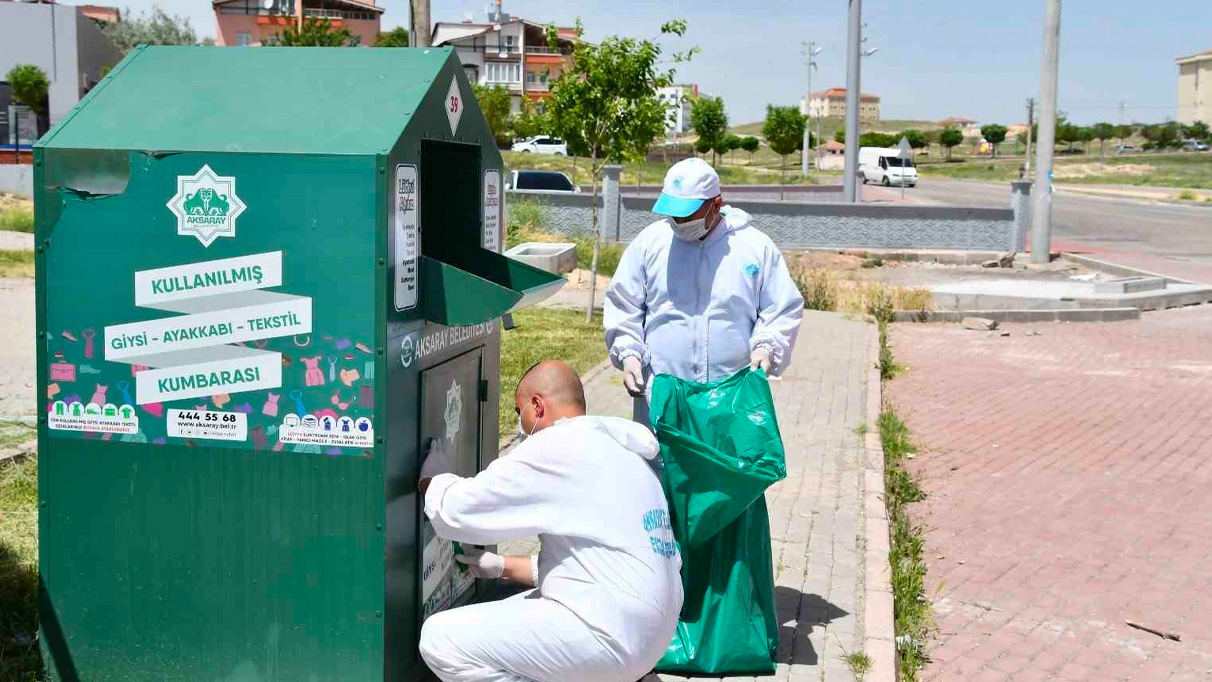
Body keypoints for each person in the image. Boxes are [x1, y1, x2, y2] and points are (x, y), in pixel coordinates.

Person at [417, 360, 684, 682]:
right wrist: (502, 565)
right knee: (519, 606)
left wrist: (431, 478)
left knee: (441, 639)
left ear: (537, 405)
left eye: (519, 412)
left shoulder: (557, 447)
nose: (520, 423)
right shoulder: (623, 451)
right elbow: (594, 561)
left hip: (612, 636)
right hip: (650, 636)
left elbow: (457, 512)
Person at [604, 158, 804, 423]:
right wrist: (628, 353)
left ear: (716, 204)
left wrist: (767, 348)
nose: (679, 221)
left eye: (687, 214)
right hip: (663, 395)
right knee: (661, 463)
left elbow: (780, 308)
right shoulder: (650, 244)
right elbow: (624, 303)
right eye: (674, 213)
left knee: (721, 463)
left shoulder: (754, 248)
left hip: (730, 397)